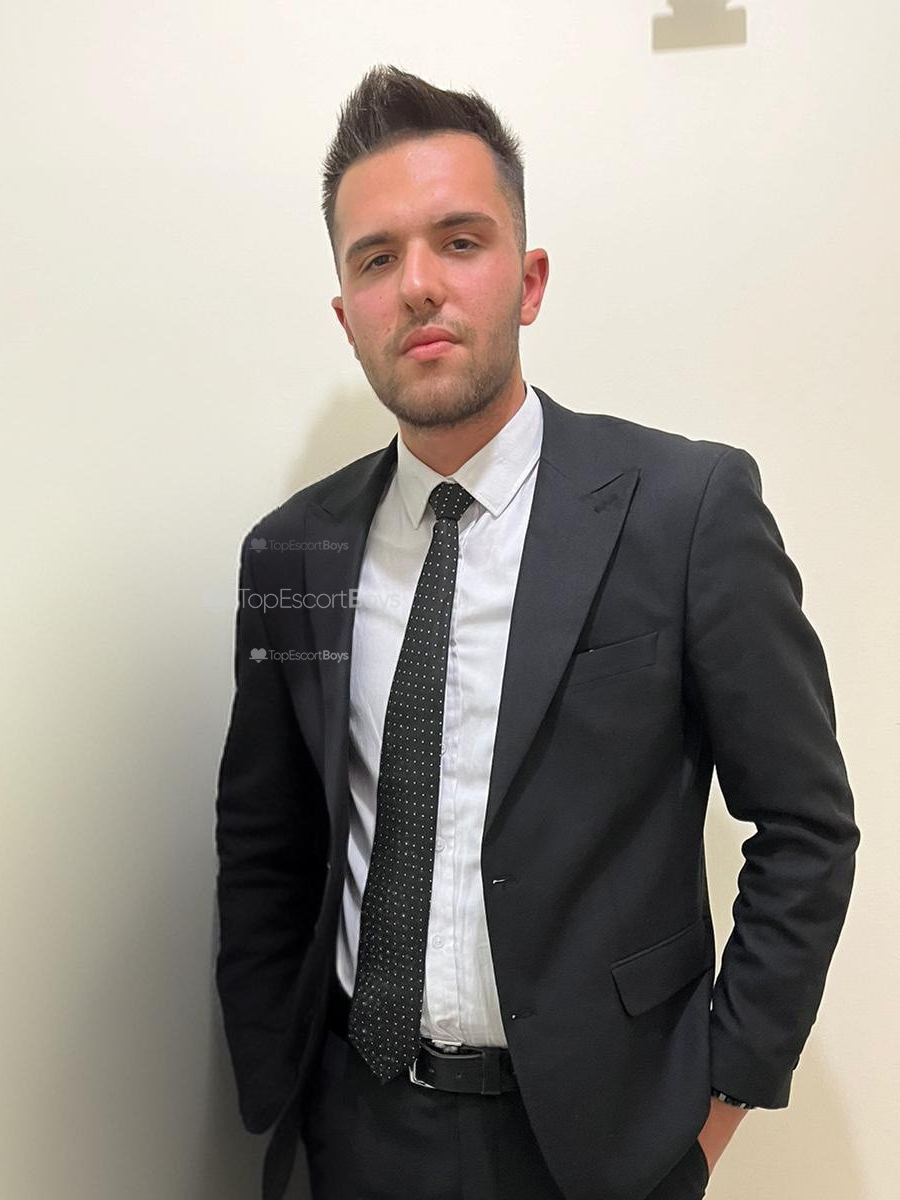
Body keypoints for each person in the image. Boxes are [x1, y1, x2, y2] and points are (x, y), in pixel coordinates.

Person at [213, 64, 858, 1200]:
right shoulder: (292, 553)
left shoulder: (685, 511)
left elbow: (806, 827)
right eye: (376, 259)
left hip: (604, 1148)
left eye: (460, 242)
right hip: (359, 1133)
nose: (419, 285)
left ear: (529, 279)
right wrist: (284, 1082)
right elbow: (266, 841)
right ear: (347, 314)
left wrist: (709, 1120)